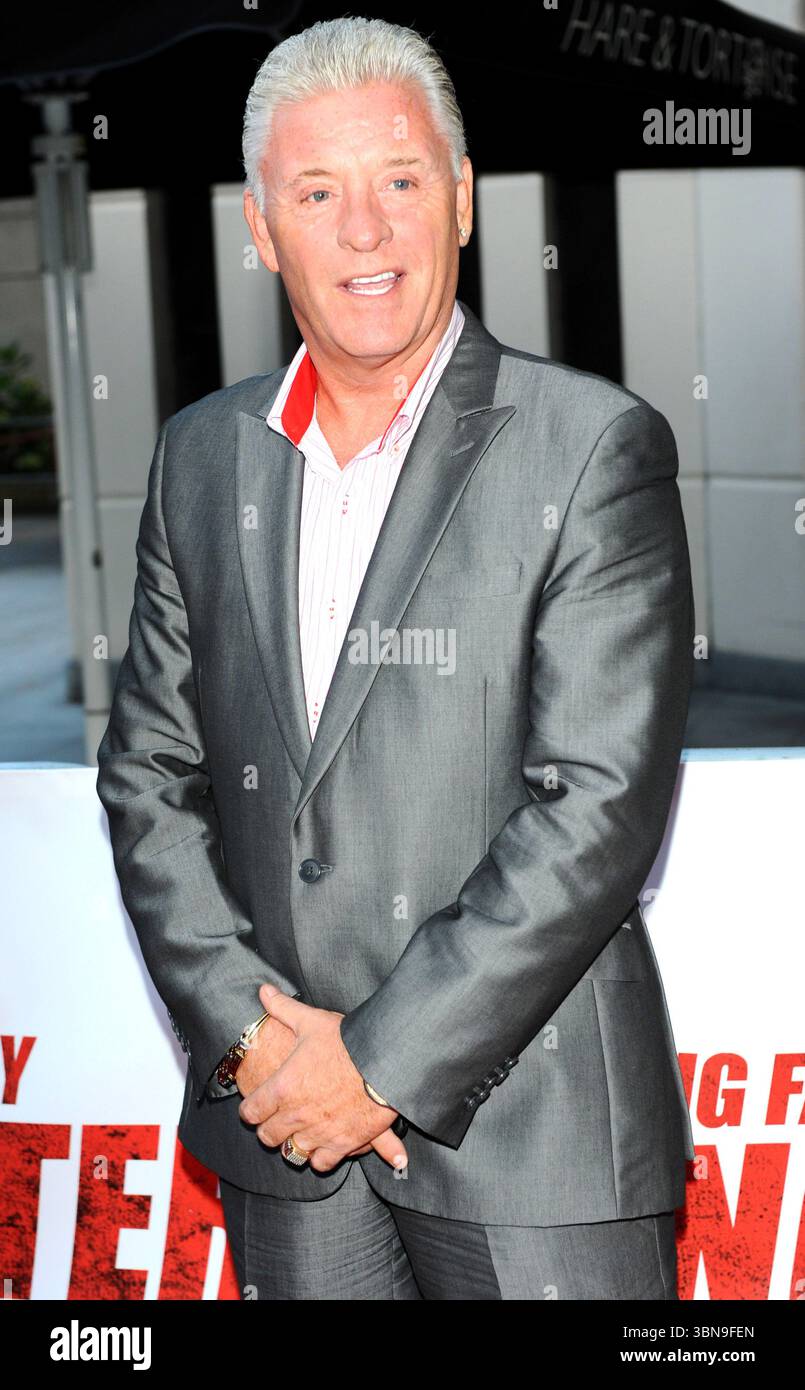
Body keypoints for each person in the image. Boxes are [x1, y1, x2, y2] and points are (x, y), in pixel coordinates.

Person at [96, 15, 695, 1301]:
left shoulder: (592, 448)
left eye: (401, 182)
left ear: (463, 201)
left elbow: (595, 807)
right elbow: (149, 772)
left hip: (537, 1152)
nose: (364, 232)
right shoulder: (200, 459)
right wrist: (260, 1044)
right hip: (288, 1152)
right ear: (262, 227)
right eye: (318, 193)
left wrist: (372, 1065)